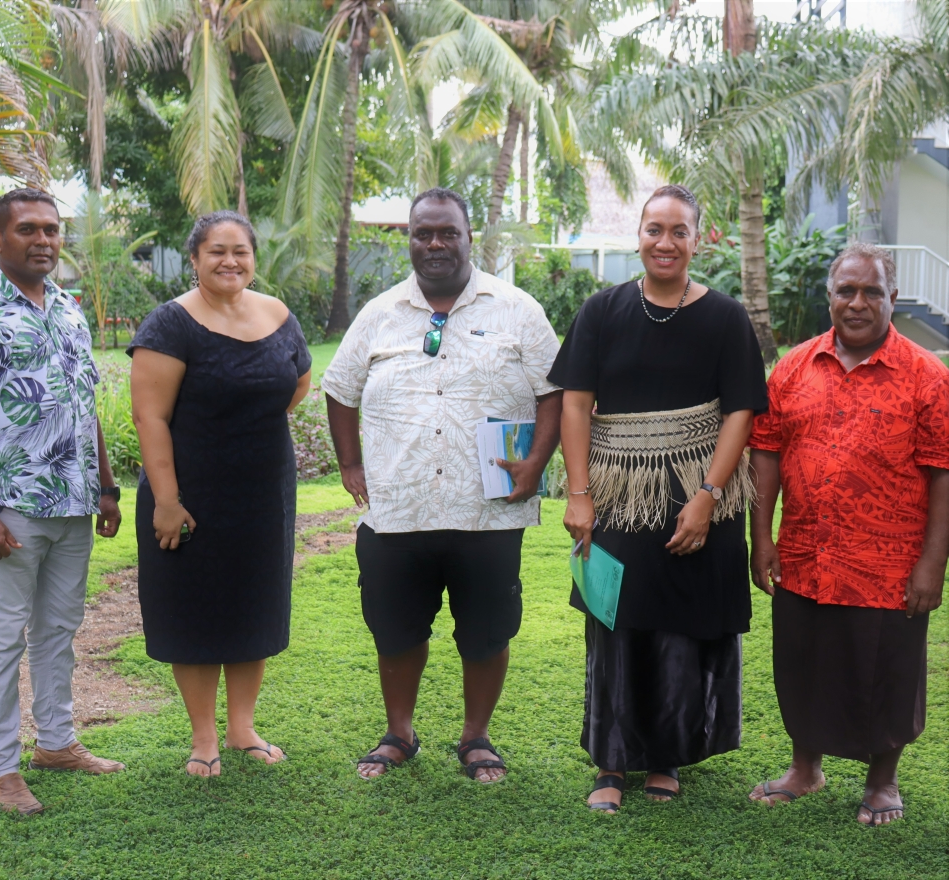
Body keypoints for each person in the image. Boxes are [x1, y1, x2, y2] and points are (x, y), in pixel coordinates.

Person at [322, 187, 562, 783]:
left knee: (486, 630)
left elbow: (553, 392)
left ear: (468, 236)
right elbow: (339, 387)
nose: (434, 243)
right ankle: (398, 734)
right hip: (397, 509)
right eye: (422, 233)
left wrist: (535, 461)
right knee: (396, 628)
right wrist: (350, 463)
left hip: (489, 507)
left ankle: (476, 738)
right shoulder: (377, 314)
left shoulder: (517, 310)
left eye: (446, 232)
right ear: (408, 239)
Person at [550, 185, 768, 813]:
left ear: (699, 239)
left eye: (678, 231)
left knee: (681, 624)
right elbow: (575, 404)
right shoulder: (601, 311)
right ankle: (612, 760)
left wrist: (707, 495)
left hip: (701, 491)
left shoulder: (725, 317)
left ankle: (667, 755)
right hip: (618, 494)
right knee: (616, 618)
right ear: (638, 236)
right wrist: (579, 493)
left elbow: (741, 410)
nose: (664, 242)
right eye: (653, 229)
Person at [0, 188, 125, 816]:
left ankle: (58, 743)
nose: (44, 241)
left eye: (52, 230)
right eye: (28, 230)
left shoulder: (69, 311)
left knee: (59, 629)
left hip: (72, 503)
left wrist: (108, 485)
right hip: (9, 503)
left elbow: (82, 401)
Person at [747, 243, 949, 825]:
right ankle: (804, 769)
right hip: (807, 553)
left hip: (890, 563)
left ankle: (882, 782)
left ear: (892, 299)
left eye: (872, 292)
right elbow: (766, 455)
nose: (857, 303)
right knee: (803, 661)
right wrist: (763, 539)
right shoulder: (793, 367)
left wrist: (932, 563)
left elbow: (942, 477)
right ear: (829, 295)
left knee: (888, 667)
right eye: (846, 291)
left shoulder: (928, 379)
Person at [128, 211, 311, 777]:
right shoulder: (171, 323)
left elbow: (298, 380)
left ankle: (242, 729)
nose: (230, 261)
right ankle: (204, 737)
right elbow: (149, 417)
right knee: (197, 611)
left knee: (254, 606)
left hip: (263, 492)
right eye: (216, 251)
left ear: (253, 258)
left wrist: (245, 427)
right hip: (189, 495)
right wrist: (166, 498)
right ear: (195, 259)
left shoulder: (277, 314)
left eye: (240, 251)